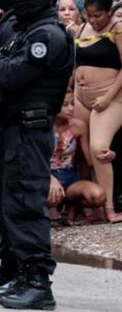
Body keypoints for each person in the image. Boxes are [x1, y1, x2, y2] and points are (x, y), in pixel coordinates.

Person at [0, 0, 74, 310]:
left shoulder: (47, 35)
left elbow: (11, 75)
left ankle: (38, 282)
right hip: (8, 129)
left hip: (29, 130)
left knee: (25, 205)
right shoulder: (24, 29)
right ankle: (12, 270)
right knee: (7, 203)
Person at [70, 0, 122, 224]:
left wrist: (108, 96)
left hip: (110, 97)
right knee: (78, 151)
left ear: (109, 11)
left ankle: (109, 206)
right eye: (89, 15)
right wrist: (70, 92)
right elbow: (76, 64)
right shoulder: (81, 30)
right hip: (82, 95)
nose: (93, 20)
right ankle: (86, 204)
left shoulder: (117, 28)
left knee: (98, 150)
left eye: (98, 15)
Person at [48, 92, 106, 223]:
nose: (71, 108)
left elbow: (89, 160)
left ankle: (72, 207)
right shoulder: (42, 127)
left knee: (98, 196)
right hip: (47, 177)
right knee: (46, 198)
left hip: (69, 178)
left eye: (73, 104)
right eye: (65, 105)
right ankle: (52, 207)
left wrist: (107, 155)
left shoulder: (78, 126)